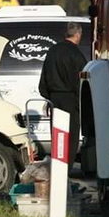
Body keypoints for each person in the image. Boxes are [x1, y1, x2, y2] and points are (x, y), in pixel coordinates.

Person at [38, 22, 88, 164]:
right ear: (77, 35)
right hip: (71, 100)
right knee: (71, 137)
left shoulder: (52, 51)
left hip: (54, 99)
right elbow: (82, 82)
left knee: (58, 135)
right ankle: (67, 168)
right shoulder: (77, 54)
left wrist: (48, 96)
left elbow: (44, 78)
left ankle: (58, 164)